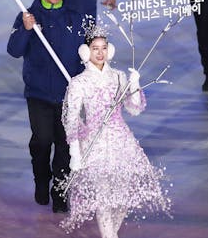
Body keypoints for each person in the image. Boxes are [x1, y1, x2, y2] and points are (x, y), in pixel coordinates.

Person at [60, 28, 170, 237]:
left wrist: (135, 84)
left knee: (121, 197)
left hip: (121, 141)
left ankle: (112, 234)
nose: (99, 53)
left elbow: (134, 109)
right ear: (86, 52)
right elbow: (72, 118)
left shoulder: (119, 77)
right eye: (95, 49)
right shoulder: (79, 83)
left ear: (109, 51)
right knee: (103, 197)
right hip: (95, 144)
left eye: (103, 48)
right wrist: (75, 152)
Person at [7, 0, 84, 213]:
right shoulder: (28, 16)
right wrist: (25, 30)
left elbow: (88, 52)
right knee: (42, 141)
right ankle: (41, 180)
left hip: (68, 94)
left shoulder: (74, 16)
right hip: (38, 93)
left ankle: (60, 192)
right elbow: (14, 50)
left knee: (64, 146)